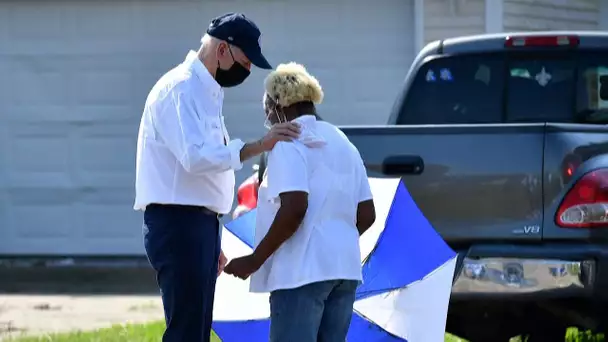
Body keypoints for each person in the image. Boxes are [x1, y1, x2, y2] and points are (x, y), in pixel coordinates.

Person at [134, 13, 300, 342]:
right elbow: (195, 158)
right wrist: (259, 146)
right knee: (186, 332)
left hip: (198, 225)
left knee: (196, 330)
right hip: (178, 222)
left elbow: (209, 169)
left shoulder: (206, 91)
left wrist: (212, 235)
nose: (248, 70)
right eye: (245, 60)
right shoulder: (181, 89)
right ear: (223, 50)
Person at [224, 62, 376, 342]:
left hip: (300, 275)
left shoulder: (288, 143)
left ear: (278, 105)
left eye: (267, 109)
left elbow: (294, 208)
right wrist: (333, 236)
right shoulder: (343, 142)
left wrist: (254, 260)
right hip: (344, 271)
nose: (268, 119)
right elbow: (366, 214)